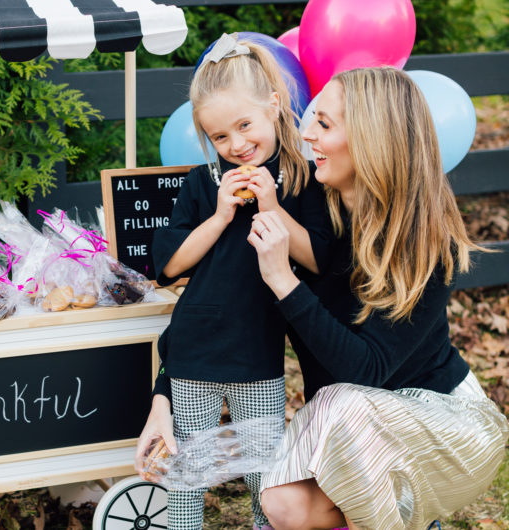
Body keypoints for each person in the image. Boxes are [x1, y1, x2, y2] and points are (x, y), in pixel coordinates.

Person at [248, 67, 509, 530]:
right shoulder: (302, 199)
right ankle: (402, 516)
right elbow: (212, 299)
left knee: (337, 401)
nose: (307, 134)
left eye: (325, 125)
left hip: (442, 424)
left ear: (372, 139)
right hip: (349, 433)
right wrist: (165, 395)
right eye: (312, 118)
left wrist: (283, 281)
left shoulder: (425, 244)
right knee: (285, 505)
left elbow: (364, 373)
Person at [134, 33, 333, 530]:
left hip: (259, 350)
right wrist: (221, 215)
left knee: (263, 473)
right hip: (194, 349)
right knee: (188, 472)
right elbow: (170, 265)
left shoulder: (303, 178)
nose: (237, 145)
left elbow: (317, 260)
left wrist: (272, 207)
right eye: (220, 137)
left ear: (274, 105)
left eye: (245, 126)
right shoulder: (204, 182)